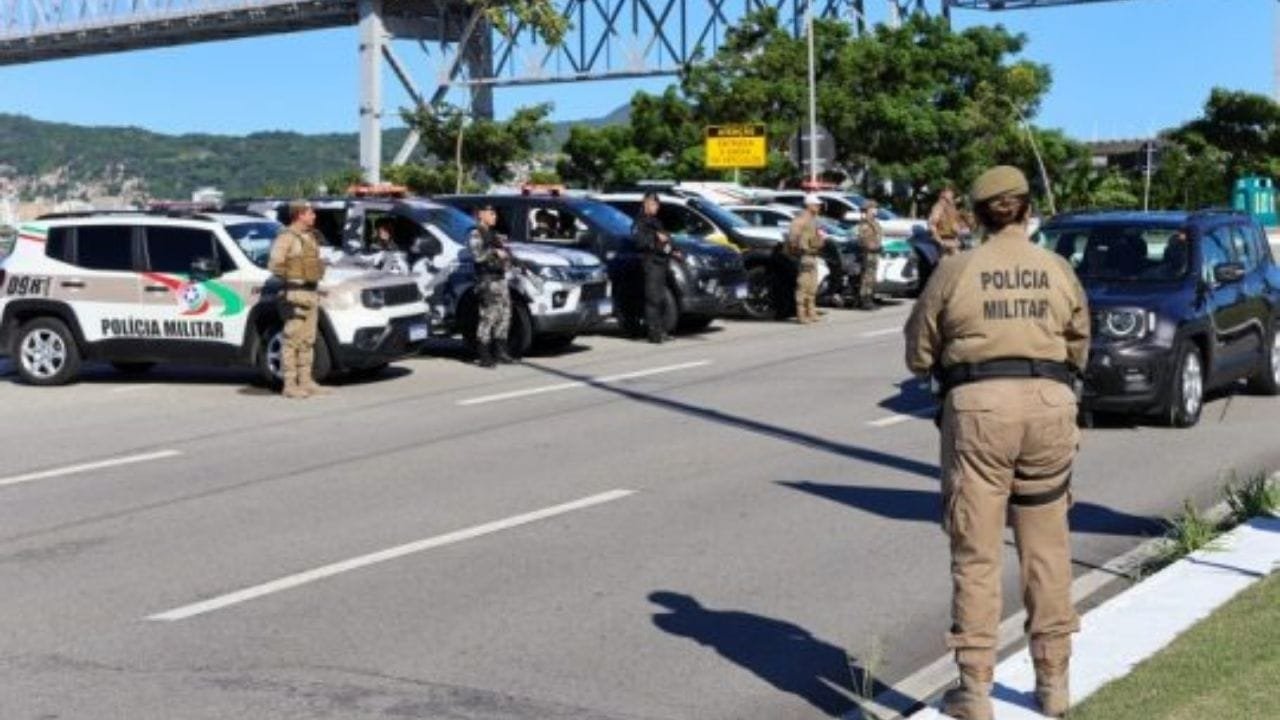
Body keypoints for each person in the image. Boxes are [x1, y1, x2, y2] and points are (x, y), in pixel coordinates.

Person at [903, 166, 1090, 720]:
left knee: (977, 553)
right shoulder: (1057, 269)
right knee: (1047, 549)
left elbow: (918, 353)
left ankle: (975, 689)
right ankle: (1053, 681)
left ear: (978, 216)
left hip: (979, 411)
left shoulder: (956, 270)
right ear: (1027, 210)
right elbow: (1080, 345)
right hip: (1050, 406)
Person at [267, 200, 329, 399]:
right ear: (299, 214)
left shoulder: (309, 236)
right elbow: (274, 264)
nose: (314, 216)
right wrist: (295, 275)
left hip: (310, 293)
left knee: (308, 340)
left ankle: (306, 381)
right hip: (295, 294)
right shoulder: (286, 237)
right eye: (310, 213)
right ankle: (290, 384)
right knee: (292, 339)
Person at [470, 203, 514, 367]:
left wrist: (509, 260)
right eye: (491, 213)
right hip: (487, 280)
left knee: (505, 315)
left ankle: (501, 351)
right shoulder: (476, 234)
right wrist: (494, 252)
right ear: (481, 214)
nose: (495, 216)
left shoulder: (494, 234)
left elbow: (505, 255)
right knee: (488, 316)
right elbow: (477, 256)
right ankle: (484, 354)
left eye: (495, 213)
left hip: (500, 278)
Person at [632, 192, 674, 343]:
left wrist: (671, 248)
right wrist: (656, 238)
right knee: (653, 299)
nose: (657, 207)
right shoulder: (639, 222)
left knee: (661, 299)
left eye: (657, 204)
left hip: (661, 263)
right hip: (650, 263)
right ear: (646, 204)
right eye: (653, 204)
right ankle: (654, 334)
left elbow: (667, 241)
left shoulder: (656, 222)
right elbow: (639, 242)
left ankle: (661, 330)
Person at [786, 194, 825, 324]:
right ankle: (801, 313)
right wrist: (798, 251)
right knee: (803, 285)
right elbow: (792, 239)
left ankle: (811, 312)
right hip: (805, 256)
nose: (818, 207)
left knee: (812, 286)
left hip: (813, 255)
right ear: (809, 205)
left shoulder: (813, 220)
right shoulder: (800, 220)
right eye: (816, 204)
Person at [856, 199, 884, 311]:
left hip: (875, 252)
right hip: (868, 253)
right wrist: (872, 247)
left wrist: (878, 246)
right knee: (867, 277)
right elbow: (863, 239)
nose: (875, 210)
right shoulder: (865, 223)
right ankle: (864, 299)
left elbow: (877, 236)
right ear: (868, 209)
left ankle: (870, 297)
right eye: (873, 208)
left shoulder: (874, 222)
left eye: (875, 208)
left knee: (872, 277)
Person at [929, 186, 964, 257]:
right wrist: (939, 240)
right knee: (947, 260)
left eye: (952, 192)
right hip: (944, 240)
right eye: (950, 192)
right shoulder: (939, 207)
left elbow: (954, 223)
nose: (952, 194)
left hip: (952, 239)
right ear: (943, 194)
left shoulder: (951, 207)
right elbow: (932, 224)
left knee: (958, 259)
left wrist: (958, 233)